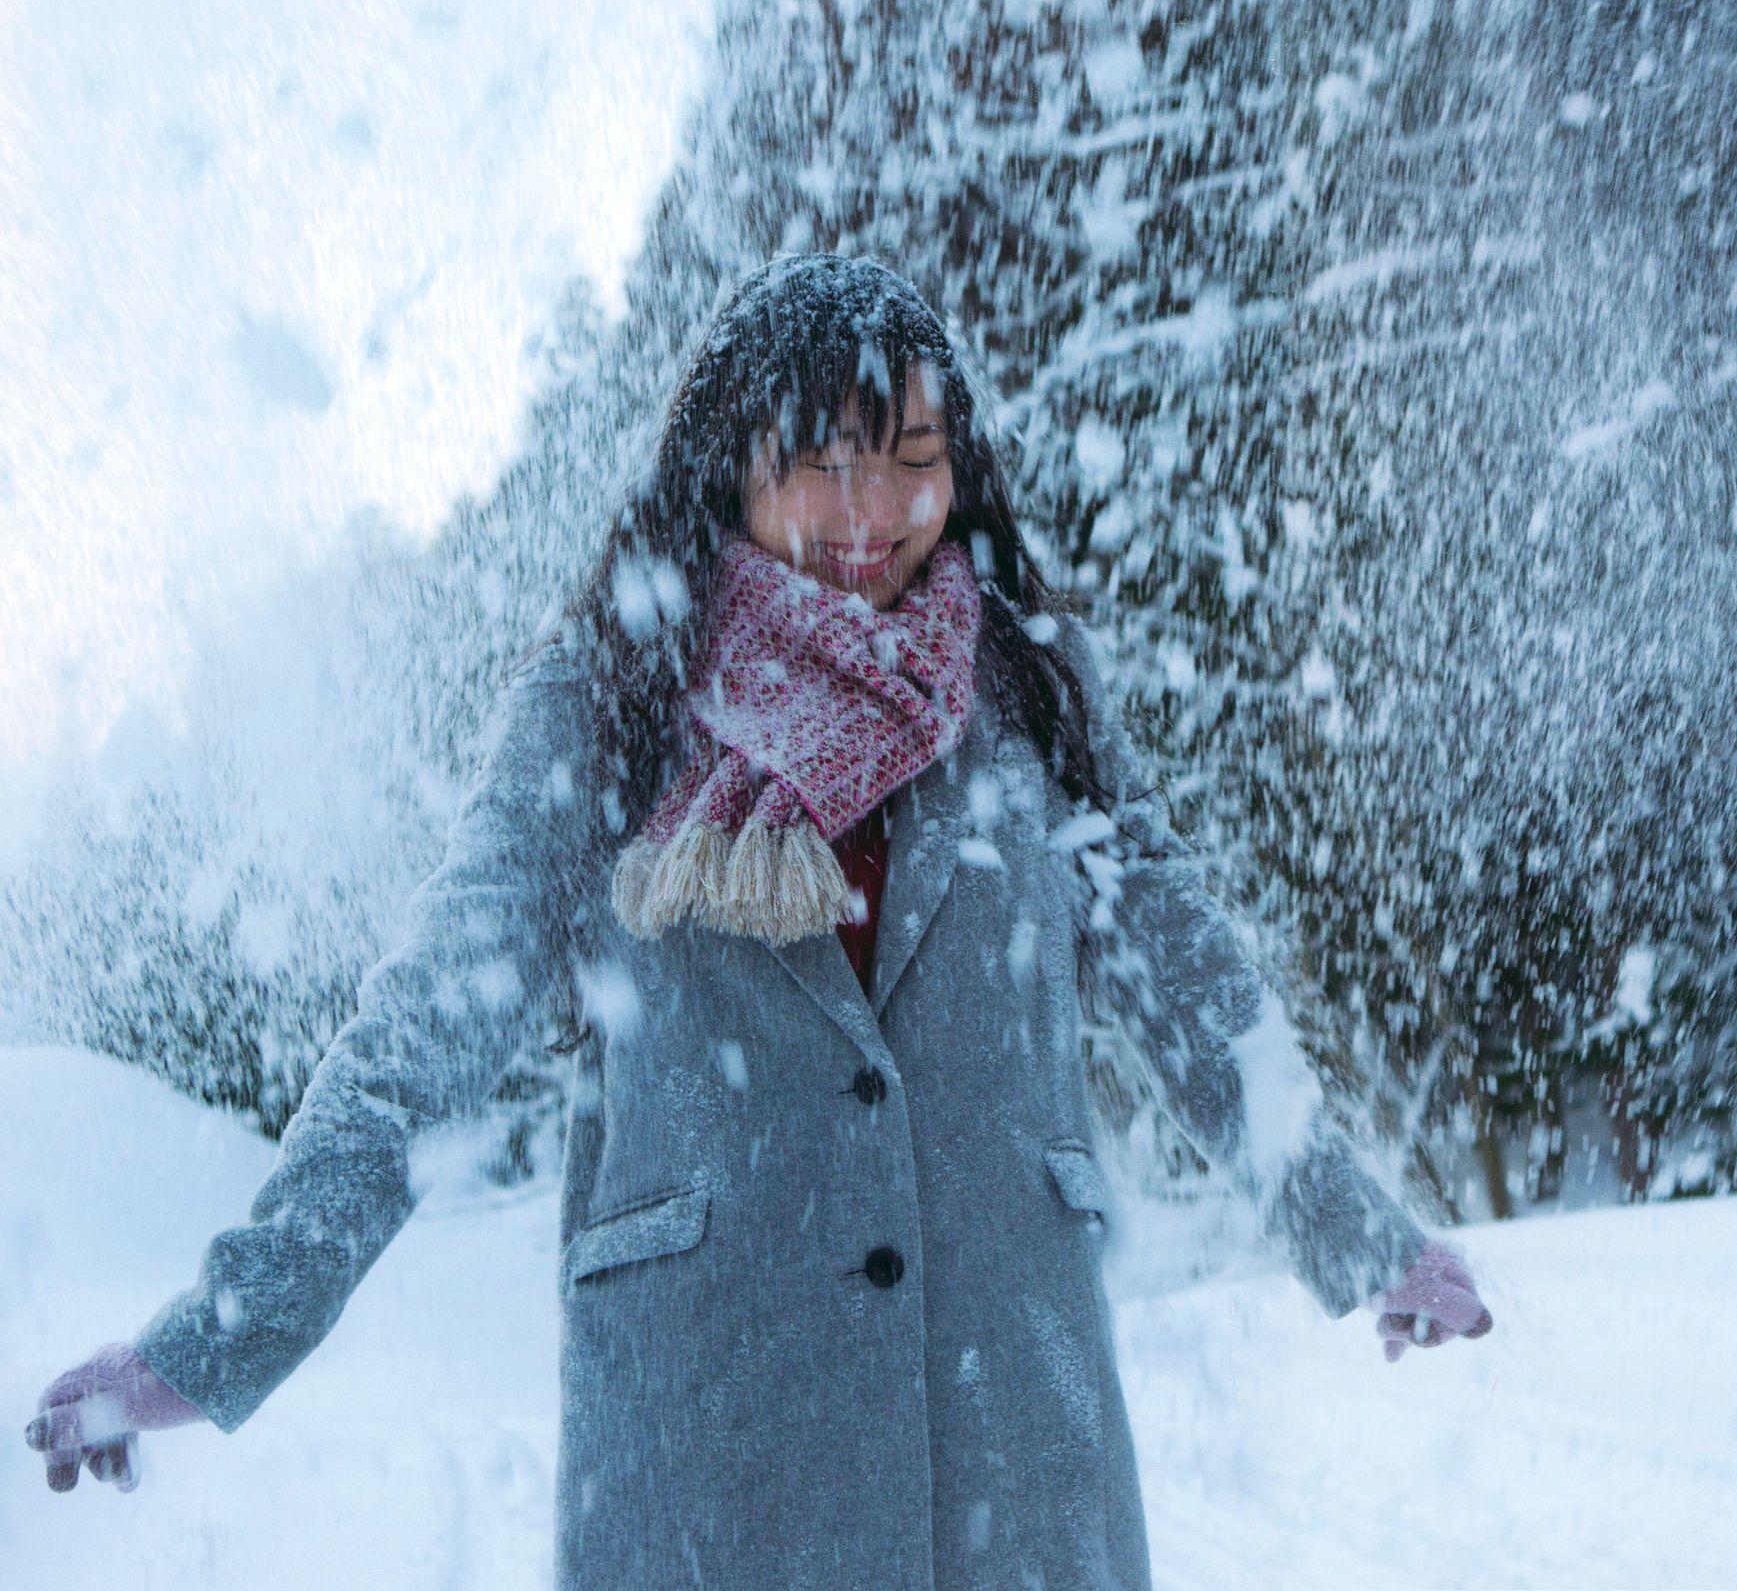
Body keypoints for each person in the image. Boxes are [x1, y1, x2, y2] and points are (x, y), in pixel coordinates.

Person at [23, 253, 1493, 1587]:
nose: (875, 519)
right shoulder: (612, 700)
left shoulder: (1027, 686)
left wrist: (1359, 1229)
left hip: (1007, 1428)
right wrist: (211, 1339)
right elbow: (427, 1031)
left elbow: (1182, 972)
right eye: (825, 468)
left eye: (915, 464)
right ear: (731, 469)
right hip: (715, 1442)